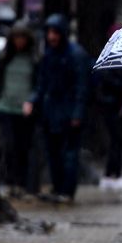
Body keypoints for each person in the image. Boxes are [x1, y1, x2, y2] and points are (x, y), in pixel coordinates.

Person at [28, 13, 90, 203]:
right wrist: (33, 101)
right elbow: (42, 84)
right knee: (53, 153)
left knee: (69, 154)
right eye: (49, 32)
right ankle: (58, 187)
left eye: (55, 32)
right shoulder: (49, 55)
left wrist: (77, 113)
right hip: (52, 113)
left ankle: (66, 191)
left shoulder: (75, 55)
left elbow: (81, 87)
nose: (51, 37)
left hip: (68, 113)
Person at [0, 20, 38, 198]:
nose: (19, 41)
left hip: (25, 111)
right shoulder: (3, 59)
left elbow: (37, 83)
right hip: (5, 108)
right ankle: (10, 180)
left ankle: (20, 181)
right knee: (8, 146)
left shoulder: (33, 60)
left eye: (22, 38)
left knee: (22, 147)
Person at [94, 24, 122, 191]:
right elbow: (108, 82)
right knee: (115, 141)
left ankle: (114, 174)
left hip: (117, 105)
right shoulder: (112, 57)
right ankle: (112, 175)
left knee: (117, 140)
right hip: (112, 106)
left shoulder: (120, 56)